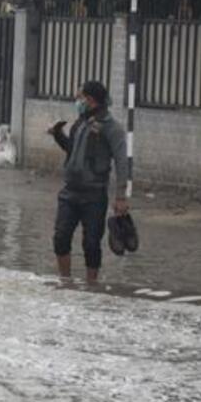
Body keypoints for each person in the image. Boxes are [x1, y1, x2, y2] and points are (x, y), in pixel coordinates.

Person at [49, 80, 131, 284]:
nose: (77, 101)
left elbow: (122, 163)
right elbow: (71, 150)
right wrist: (58, 134)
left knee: (91, 243)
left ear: (91, 100)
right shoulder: (81, 123)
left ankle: (91, 287)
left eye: (80, 97)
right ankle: (65, 281)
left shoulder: (112, 128)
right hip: (70, 192)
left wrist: (121, 197)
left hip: (94, 195)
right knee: (60, 237)